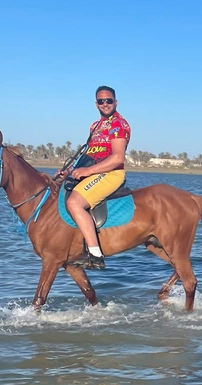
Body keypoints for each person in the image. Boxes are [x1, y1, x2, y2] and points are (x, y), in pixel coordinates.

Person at [62, 85, 131, 269]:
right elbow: (88, 154)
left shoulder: (118, 125)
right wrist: (68, 171)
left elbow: (117, 158)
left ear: (115, 102)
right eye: (101, 101)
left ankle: (95, 255)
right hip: (94, 171)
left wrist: (87, 172)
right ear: (96, 104)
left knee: (74, 203)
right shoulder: (95, 126)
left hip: (111, 173)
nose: (105, 104)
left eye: (109, 100)